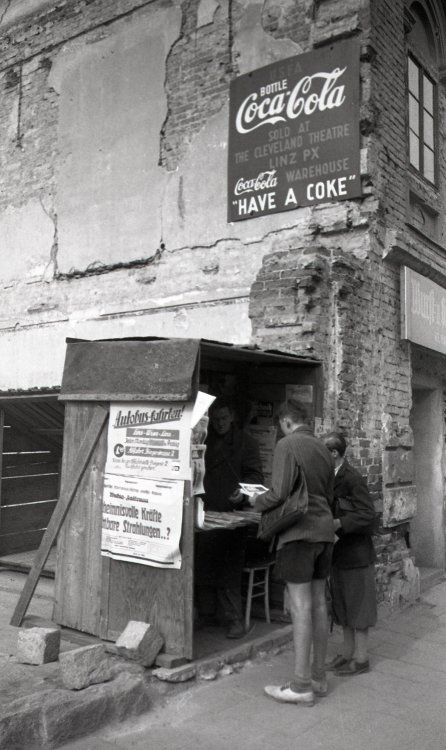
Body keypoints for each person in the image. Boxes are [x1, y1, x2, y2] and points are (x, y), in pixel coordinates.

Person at [253, 399, 335, 706]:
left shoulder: (288, 445)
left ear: (286, 422)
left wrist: (256, 502)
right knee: (318, 604)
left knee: (300, 608)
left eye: (280, 428)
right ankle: (318, 678)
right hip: (325, 533)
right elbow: (328, 494)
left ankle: (301, 687)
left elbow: (279, 492)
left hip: (298, 534)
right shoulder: (324, 449)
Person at [194, 396, 264, 638]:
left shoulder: (246, 443)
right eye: (216, 419)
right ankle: (205, 614)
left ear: (232, 417)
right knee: (203, 565)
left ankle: (234, 619)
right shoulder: (206, 439)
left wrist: (242, 494)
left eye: (224, 418)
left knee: (229, 569)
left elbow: (255, 477)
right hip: (207, 510)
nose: (220, 423)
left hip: (232, 514)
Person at [323, 432, 377, 676]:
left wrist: (339, 523)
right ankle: (346, 653)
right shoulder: (327, 476)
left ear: (333, 453)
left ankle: (362, 657)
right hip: (338, 552)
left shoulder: (352, 478)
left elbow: (368, 515)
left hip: (356, 554)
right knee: (343, 605)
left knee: (359, 607)